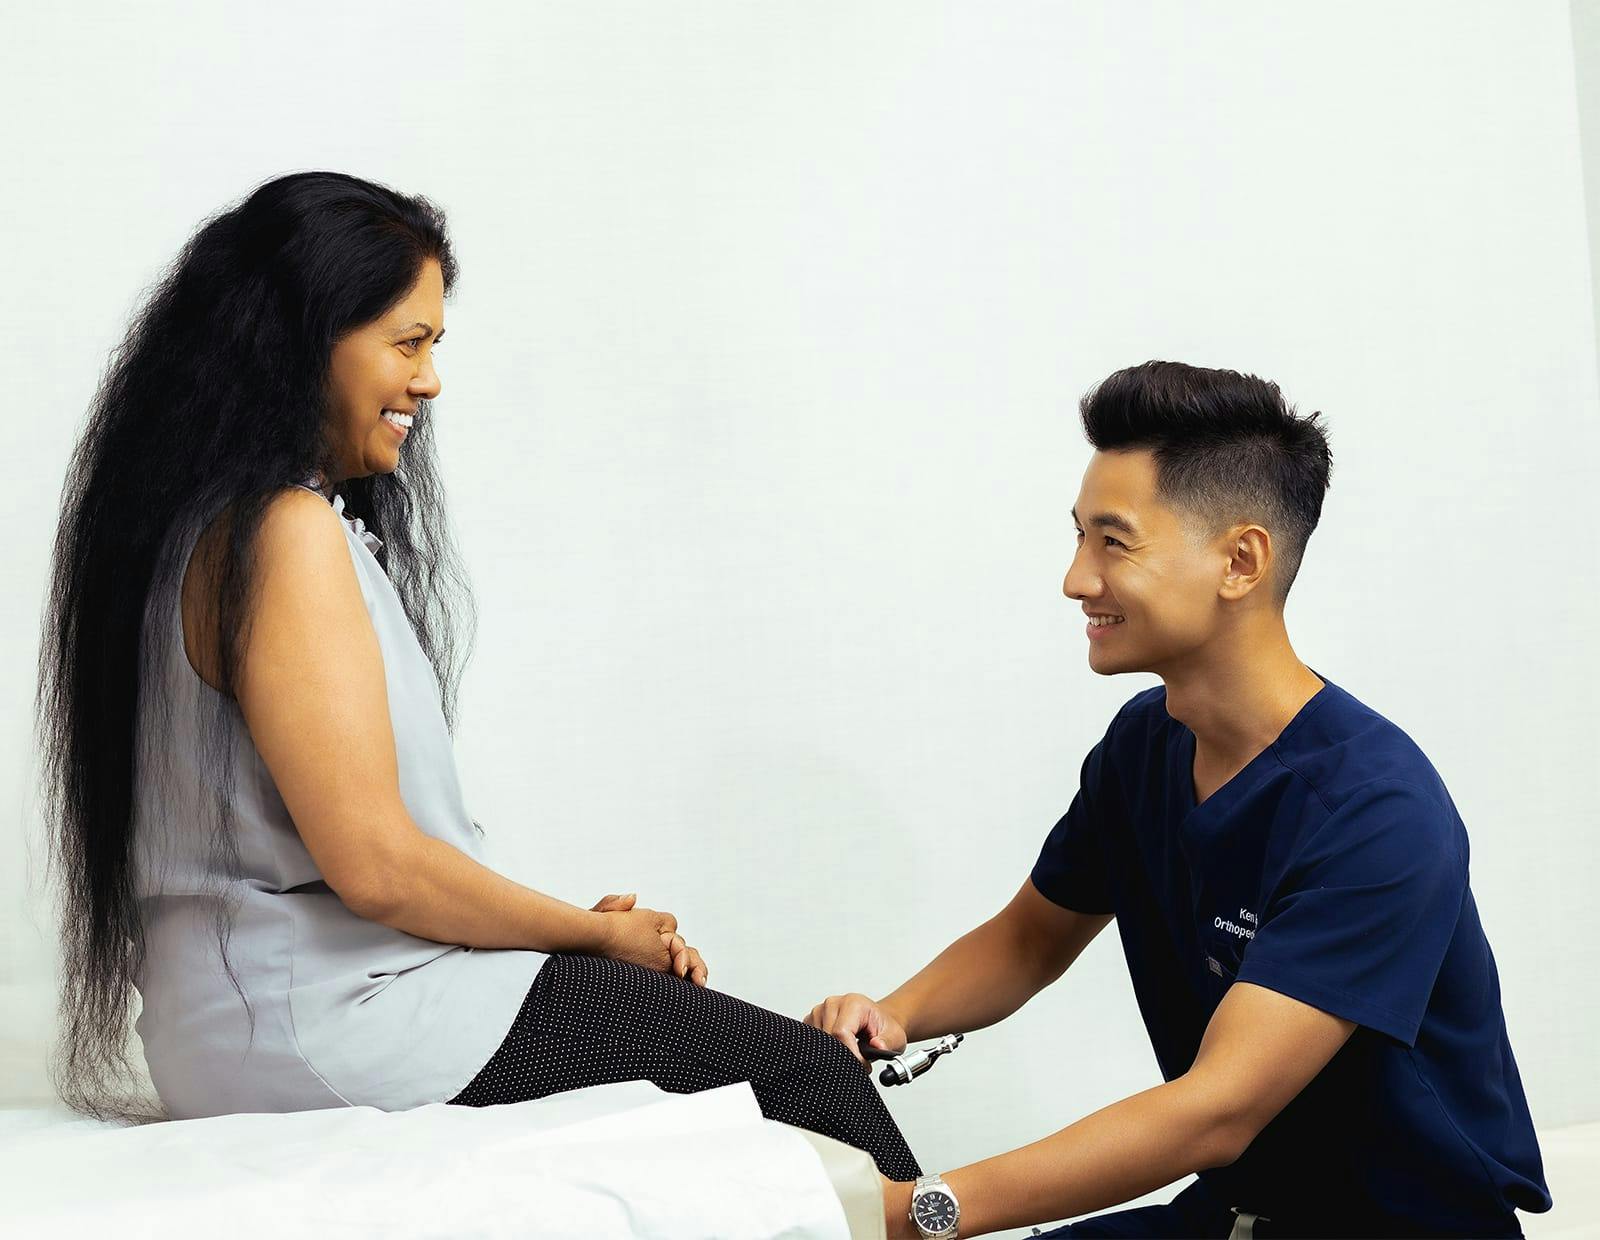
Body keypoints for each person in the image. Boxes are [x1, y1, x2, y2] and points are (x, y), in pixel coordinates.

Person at [36, 169, 919, 1181]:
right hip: (331, 1022)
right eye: (406, 344)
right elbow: (377, 864)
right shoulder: (279, 532)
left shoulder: (208, 529)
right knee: (809, 1077)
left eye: (433, 347)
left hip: (258, 1022)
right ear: (297, 341)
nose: (429, 382)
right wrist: (589, 936)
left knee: (752, 1079)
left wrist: (571, 944)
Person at [806, 361, 1552, 1238]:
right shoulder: (1145, 745)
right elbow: (1032, 935)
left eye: (1112, 542)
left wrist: (917, 1213)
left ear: (1241, 560)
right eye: (1079, 537)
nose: (1076, 580)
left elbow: (1216, 1111)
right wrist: (898, 1011)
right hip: (1237, 1213)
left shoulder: (1378, 812)